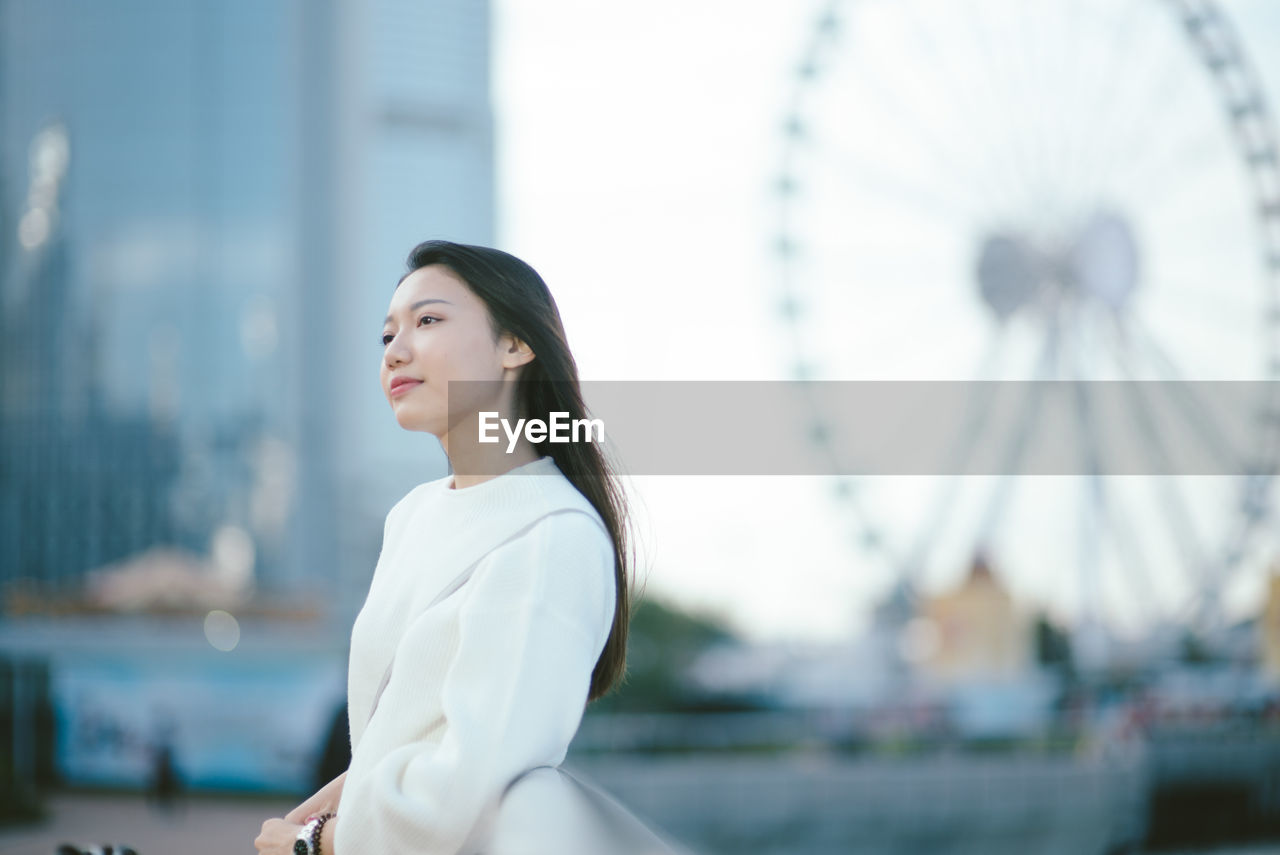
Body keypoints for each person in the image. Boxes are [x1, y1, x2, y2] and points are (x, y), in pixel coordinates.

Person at [255, 240, 634, 855]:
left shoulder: (551, 535)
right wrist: (348, 793)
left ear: (515, 345)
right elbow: (412, 722)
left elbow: (480, 783)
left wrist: (317, 844)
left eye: (427, 321)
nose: (395, 351)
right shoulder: (413, 516)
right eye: (386, 336)